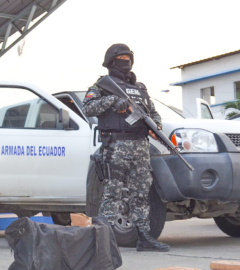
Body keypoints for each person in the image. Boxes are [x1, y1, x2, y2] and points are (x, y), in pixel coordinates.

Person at [82, 43, 170, 252]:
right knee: (112, 192)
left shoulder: (140, 89)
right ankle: (103, 241)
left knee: (141, 193)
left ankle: (145, 237)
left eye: (127, 57)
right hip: (116, 146)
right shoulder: (102, 86)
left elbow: (153, 112)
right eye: (120, 58)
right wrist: (113, 101)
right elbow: (88, 108)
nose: (125, 62)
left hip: (140, 147)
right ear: (111, 62)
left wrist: (156, 125)